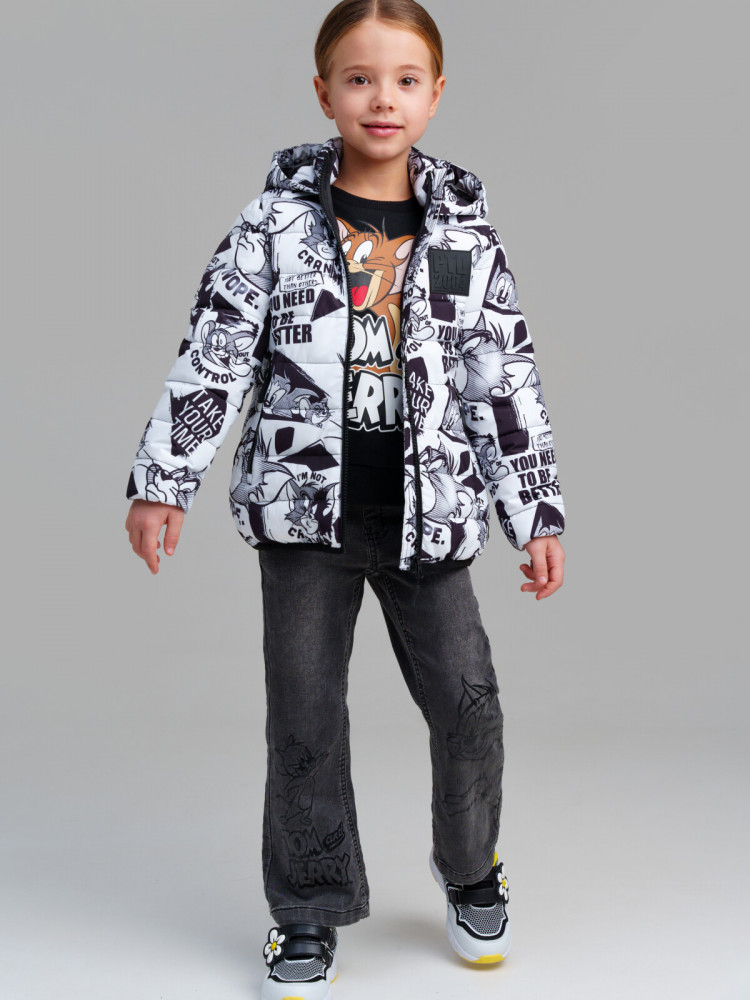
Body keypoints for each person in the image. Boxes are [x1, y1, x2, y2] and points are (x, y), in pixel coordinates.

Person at [125, 1, 566, 996]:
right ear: (323, 92)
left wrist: (534, 512)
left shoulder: (465, 235)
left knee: (468, 705)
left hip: (431, 518)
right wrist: (164, 482)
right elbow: (214, 356)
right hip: (305, 520)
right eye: (359, 78)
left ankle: (471, 868)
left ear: (436, 95)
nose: (382, 99)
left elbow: (505, 379)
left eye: (405, 80)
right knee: (306, 722)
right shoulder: (274, 225)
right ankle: (307, 910)